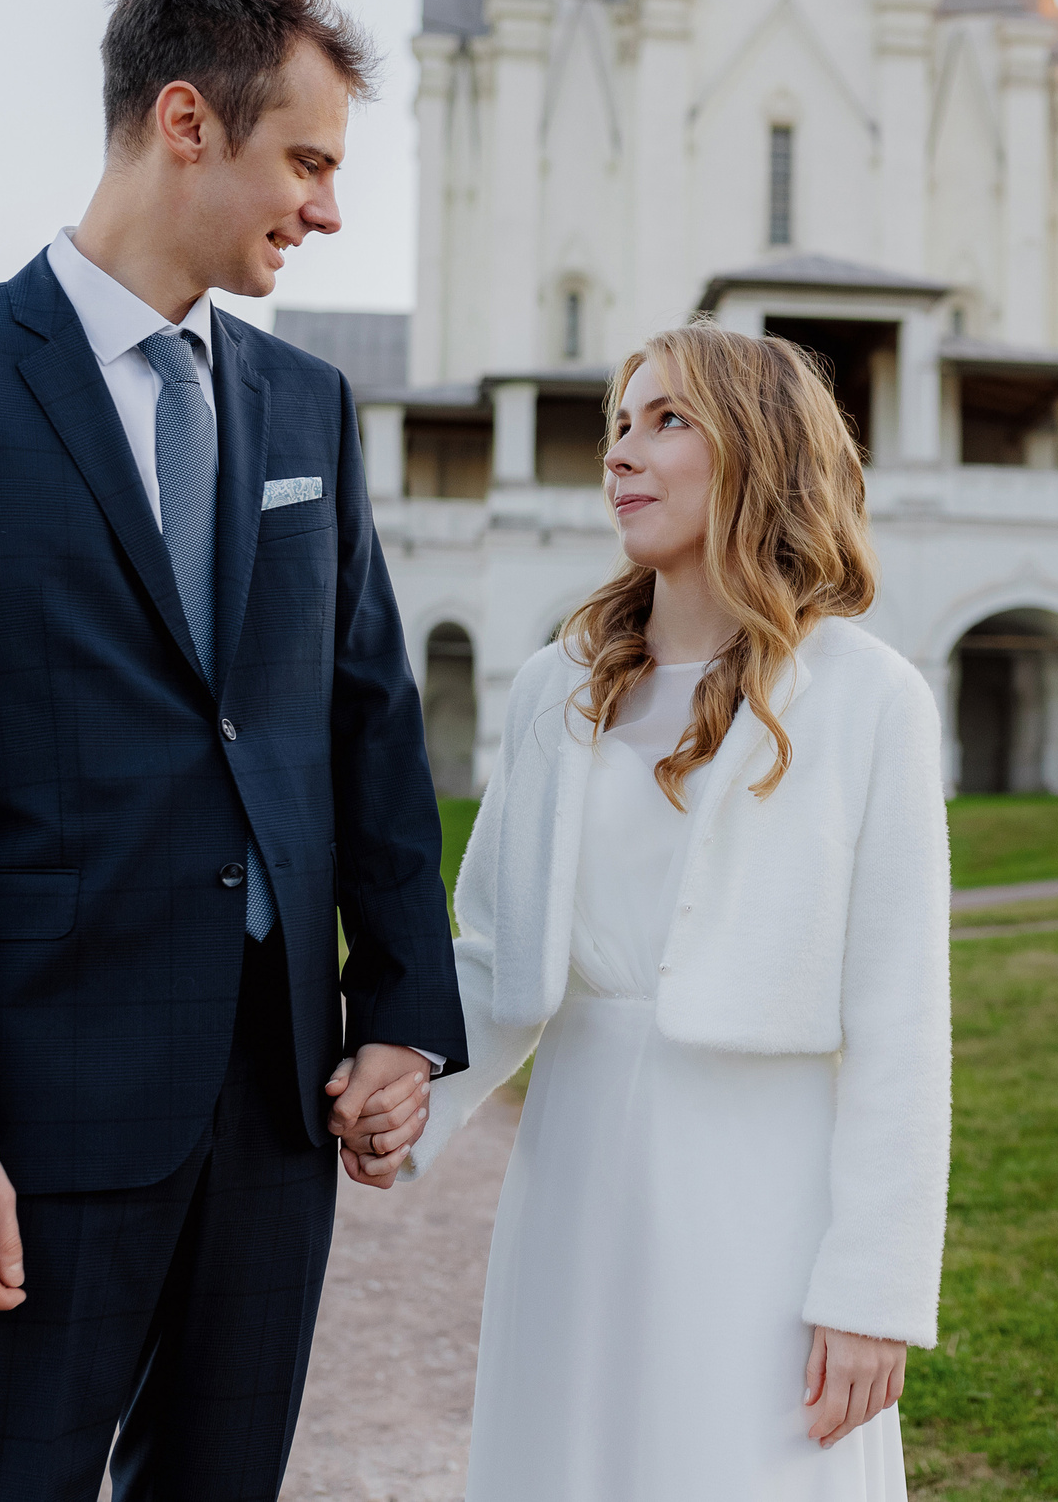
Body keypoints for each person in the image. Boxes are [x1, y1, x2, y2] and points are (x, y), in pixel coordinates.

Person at [0, 0, 461, 1502]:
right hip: (32, 1128)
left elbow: (362, 721)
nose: (326, 205)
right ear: (185, 121)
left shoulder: (308, 408)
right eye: (304, 159)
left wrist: (407, 1013)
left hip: (274, 1116)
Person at [403, 325, 954, 1499]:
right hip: (577, 1172)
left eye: (665, 422)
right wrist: (398, 1103)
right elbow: (496, 957)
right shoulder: (561, 683)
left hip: (763, 1192)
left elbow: (903, 1023)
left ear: (758, 453)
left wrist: (874, 1291)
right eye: (617, 424)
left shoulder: (870, 700)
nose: (621, 454)